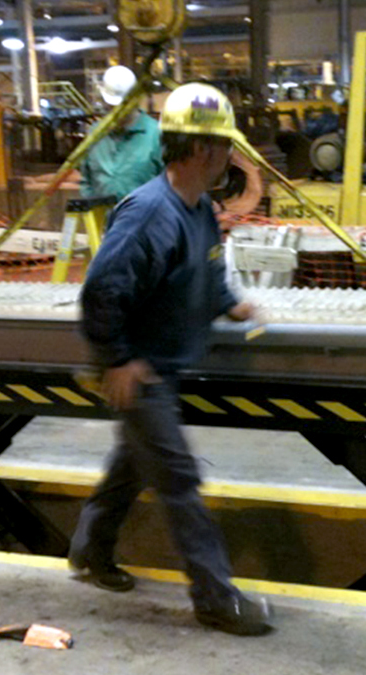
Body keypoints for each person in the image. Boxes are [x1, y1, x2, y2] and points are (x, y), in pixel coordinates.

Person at [69, 82, 272, 637]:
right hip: (142, 371)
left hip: (163, 365)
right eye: (227, 147)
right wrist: (116, 360)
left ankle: (89, 550)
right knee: (179, 479)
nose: (232, 157)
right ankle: (215, 599)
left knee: (131, 465)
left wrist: (232, 305)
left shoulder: (198, 209)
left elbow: (206, 273)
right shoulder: (149, 214)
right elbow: (101, 291)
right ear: (205, 150)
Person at [78, 66, 163, 200]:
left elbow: (169, 183)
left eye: (124, 104)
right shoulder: (95, 134)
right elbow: (86, 179)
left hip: (146, 218)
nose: (117, 109)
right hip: (102, 218)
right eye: (112, 105)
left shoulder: (155, 135)